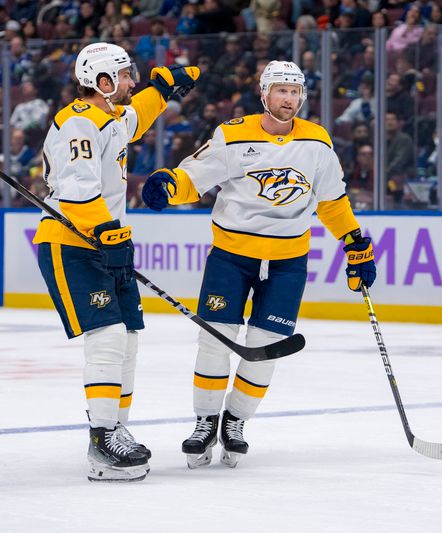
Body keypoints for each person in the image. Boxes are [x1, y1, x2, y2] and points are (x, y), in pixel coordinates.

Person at [139, 60, 377, 469]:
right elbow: (195, 175)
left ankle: (235, 422)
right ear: (264, 94)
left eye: (295, 91)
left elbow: (332, 201)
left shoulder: (318, 142)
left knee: (264, 350)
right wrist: (169, 185)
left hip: (288, 262)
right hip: (231, 258)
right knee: (215, 340)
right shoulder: (233, 135)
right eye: (281, 90)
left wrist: (354, 243)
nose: (288, 98)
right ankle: (205, 421)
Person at [30, 42, 199, 482]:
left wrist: (163, 90)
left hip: (106, 243)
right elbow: (77, 191)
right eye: (125, 76)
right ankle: (102, 436)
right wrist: (110, 234)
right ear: (102, 83)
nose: (132, 82)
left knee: (127, 338)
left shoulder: (109, 117)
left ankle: (116, 428)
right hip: (72, 243)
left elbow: (135, 118)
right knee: (106, 336)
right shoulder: (79, 126)